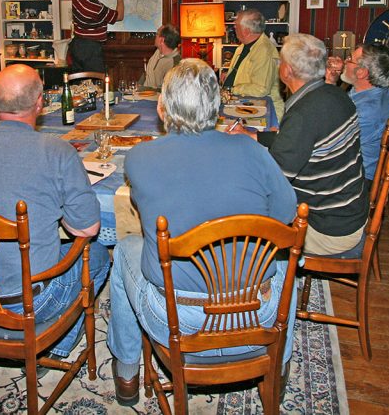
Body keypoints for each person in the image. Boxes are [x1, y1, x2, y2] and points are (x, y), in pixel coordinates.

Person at [107, 59, 298, 405]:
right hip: (258, 314)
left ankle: (126, 374)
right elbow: (286, 215)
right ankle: (279, 370)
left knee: (124, 250)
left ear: (163, 109)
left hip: (177, 321)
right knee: (287, 265)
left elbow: (146, 212)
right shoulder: (253, 150)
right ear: (218, 106)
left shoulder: (139, 158)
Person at [0, 64, 110, 358]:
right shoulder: (57, 151)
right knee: (97, 253)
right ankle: (58, 346)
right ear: (40, 103)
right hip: (29, 302)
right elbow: (87, 229)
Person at [228, 34, 366, 257]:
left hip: (327, 230)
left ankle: (256, 282)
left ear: (287, 71)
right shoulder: (334, 94)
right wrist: (252, 136)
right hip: (348, 213)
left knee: (236, 218)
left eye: (281, 61)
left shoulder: (303, 114)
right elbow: (300, 143)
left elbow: (275, 180)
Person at [341, 43, 389, 182]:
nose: (345, 62)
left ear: (361, 72)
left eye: (350, 59)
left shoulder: (367, 111)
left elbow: (334, 146)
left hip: (356, 178)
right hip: (361, 168)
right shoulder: (381, 93)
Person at [222, 8, 284, 118]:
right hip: (242, 106)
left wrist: (231, 89)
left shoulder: (264, 51)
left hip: (264, 112)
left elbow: (261, 89)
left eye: (237, 26)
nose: (234, 28)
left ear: (246, 30)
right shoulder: (243, 46)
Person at [70, 0, 125, 73]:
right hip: (90, 48)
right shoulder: (97, 9)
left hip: (76, 45)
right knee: (95, 79)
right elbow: (119, 16)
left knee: (79, 79)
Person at [138, 24, 181, 90]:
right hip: (142, 95)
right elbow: (148, 72)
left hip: (155, 99)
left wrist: (143, 89)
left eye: (157, 34)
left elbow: (167, 90)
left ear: (161, 40)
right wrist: (138, 85)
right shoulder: (158, 52)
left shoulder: (175, 64)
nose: (155, 36)